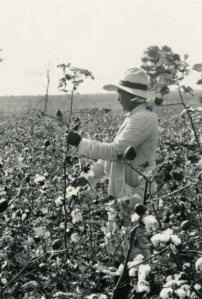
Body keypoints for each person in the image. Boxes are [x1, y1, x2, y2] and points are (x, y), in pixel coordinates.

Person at [66, 67, 159, 257]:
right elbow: (114, 156)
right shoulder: (135, 116)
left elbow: (115, 151)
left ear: (133, 96)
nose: (118, 98)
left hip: (134, 193)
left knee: (135, 251)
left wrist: (81, 143)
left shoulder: (143, 118)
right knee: (119, 245)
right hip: (123, 192)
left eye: (121, 93)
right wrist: (90, 176)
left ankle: (134, 285)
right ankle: (122, 284)